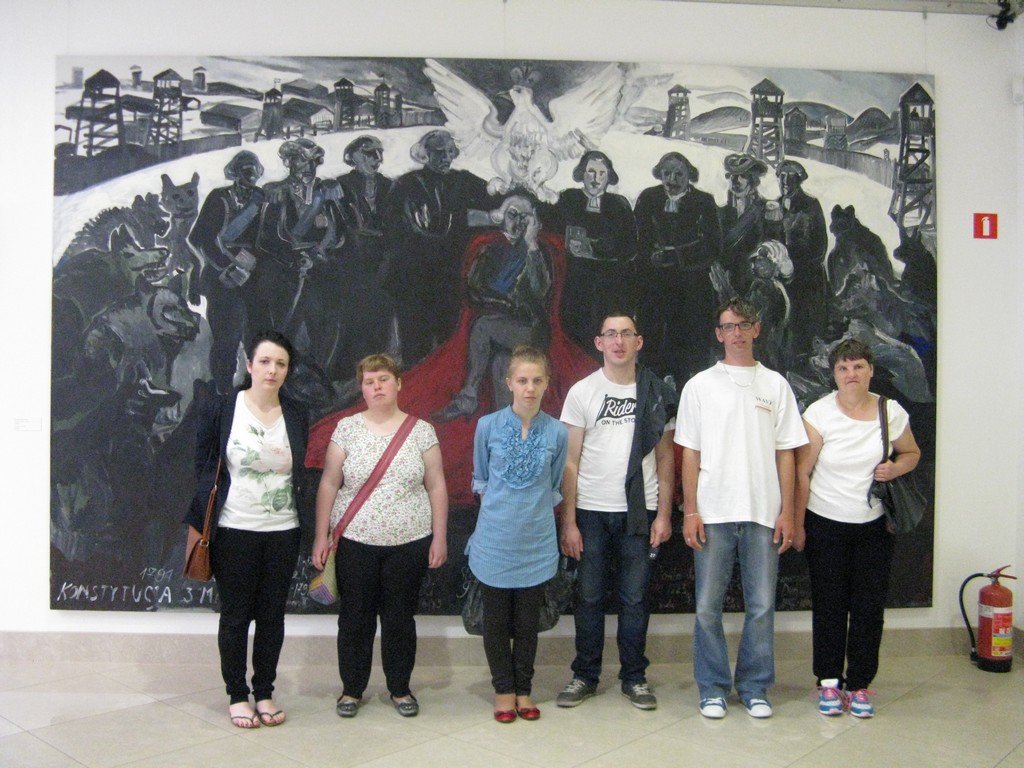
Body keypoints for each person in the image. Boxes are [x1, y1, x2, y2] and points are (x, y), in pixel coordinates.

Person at [676, 297, 807, 720]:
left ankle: (754, 687)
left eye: (744, 325)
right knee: (706, 607)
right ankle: (713, 688)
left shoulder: (776, 385)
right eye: (729, 326)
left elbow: (787, 453)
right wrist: (690, 511)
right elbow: (689, 452)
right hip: (712, 512)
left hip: (763, 513)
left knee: (762, 606)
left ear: (757, 329)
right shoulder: (700, 386)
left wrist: (788, 512)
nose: (737, 333)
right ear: (719, 334)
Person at [187, 329, 312, 729]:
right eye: (265, 361)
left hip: (283, 530)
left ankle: (265, 691)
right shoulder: (223, 408)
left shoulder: (297, 413)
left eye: (281, 364)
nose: (272, 370)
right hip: (234, 527)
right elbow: (203, 463)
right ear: (249, 365)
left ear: (287, 370)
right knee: (236, 615)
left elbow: (298, 472)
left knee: (273, 616)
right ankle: (237, 695)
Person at [312, 354, 448, 719]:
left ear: (398, 383)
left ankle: (400, 689)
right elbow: (329, 483)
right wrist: (321, 536)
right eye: (369, 382)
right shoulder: (346, 429)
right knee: (354, 618)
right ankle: (351, 689)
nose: (377, 387)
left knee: (399, 619)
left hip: (409, 542)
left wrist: (439, 537)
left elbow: (436, 485)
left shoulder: (421, 431)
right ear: (362, 389)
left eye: (384, 379)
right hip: (355, 543)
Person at [556, 312, 677, 711]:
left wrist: (664, 515)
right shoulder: (582, 392)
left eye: (626, 334)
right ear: (599, 342)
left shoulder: (655, 392)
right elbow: (570, 462)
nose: (619, 341)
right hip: (590, 511)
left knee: (635, 598)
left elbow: (665, 459)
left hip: (639, 512)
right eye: (611, 334)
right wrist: (569, 521)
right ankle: (585, 675)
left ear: (639, 342)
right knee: (589, 597)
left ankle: (634, 678)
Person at [794, 338, 920, 718]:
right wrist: (798, 524)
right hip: (825, 523)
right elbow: (802, 471)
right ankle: (829, 682)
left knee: (868, 607)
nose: (851, 374)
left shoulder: (890, 412)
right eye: (843, 368)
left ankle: (860, 684)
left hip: (874, 526)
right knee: (829, 605)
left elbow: (912, 453)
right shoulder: (819, 413)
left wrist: (894, 468)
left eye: (858, 366)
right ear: (834, 375)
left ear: (871, 371)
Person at [468, 345, 568, 723]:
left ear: (546, 383)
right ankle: (503, 691)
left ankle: (524, 689)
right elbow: (481, 479)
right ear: (508, 382)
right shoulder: (487, 426)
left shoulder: (557, 432)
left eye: (537, 381)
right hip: (494, 542)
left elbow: (554, 486)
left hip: (537, 544)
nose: (530, 388)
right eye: (522, 380)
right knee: (496, 623)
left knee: (527, 625)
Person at [432, 196, 552, 422]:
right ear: (502, 218)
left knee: (482, 326)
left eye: (524, 217)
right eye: (512, 215)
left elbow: (539, 290)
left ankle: (468, 398)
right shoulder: (490, 249)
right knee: (501, 364)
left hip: (530, 330)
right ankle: (506, 426)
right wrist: (503, 301)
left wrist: (531, 245)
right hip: (500, 324)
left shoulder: (536, 251)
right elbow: (475, 288)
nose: (518, 222)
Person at [383, 129, 491, 365]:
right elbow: (397, 232)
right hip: (415, 277)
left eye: (450, 152)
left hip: (449, 276)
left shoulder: (463, 181)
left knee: (448, 341)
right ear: (426, 154)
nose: (446, 157)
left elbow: (494, 198)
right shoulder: (406, 184)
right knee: (415, 346)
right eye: (440, 152)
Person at [635, 152, 723, 386]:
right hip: (655, 286)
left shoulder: (704, 202)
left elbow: (712, 246)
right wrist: (650, 256)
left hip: (691, 288)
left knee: (686, 349)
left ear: (689, 175)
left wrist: (676, 255)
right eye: (667, 173)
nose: (672, 179)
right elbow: (637, 239)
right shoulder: (648, 198)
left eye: (678, 174)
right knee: (653, 344)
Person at [188, 150, 266, 393]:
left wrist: (253, 264)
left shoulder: (260, 198)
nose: (250, 175)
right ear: (235, 172)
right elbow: (201, 239)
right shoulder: (218, 198)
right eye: (245, 170)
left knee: (256, 336)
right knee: (226, 339)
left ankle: (254, 386)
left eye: (254, 170)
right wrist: (227, 267)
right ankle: (223, 390)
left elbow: (264, 237)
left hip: (252, 276)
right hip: (221, 277)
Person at [554, 150, 638, 356]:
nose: (595, 178)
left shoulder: (618, 205)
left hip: (607, 283)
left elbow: (629, 246)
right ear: (582, 173)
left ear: (609, 177)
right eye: (591, 172)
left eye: (601, 173)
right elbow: (553, 231)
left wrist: (594, 247)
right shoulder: (568, 198)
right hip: (573, 279)